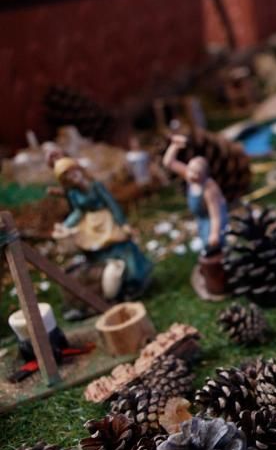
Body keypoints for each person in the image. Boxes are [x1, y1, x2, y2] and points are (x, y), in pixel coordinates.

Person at [52, 157, 152, 318]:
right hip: (90, 224)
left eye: (73, 172)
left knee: (120, 247)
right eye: (67, 177)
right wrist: (66, 225)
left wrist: (123, 224)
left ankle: (132, 281)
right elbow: (78, 211)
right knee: (97, 254)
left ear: (78, 169)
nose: (73, 177)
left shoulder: (95, 186)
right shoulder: (73, 193)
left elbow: (112, 204)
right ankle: (108, 286)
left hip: (105, 221)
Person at [162, 135, 227, 254]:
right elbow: (168, 163)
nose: (191, 175)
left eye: (196, 173)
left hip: (211, 222)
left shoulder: (209, 189)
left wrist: (214, 233)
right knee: (205, 245)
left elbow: (216, 215)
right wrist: (174, 146)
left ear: (204, 174)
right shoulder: (190, 177)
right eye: (190, 170)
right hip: (201, 219)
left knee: (214, 246)